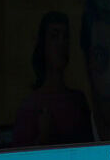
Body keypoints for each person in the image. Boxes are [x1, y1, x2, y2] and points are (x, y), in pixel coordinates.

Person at [13, 11, 96, 146]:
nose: (61, 43)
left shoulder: (78, 101)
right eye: (54, 36)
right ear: (43, 44)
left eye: (65, 37)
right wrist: (44, 137)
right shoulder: (30, 106)